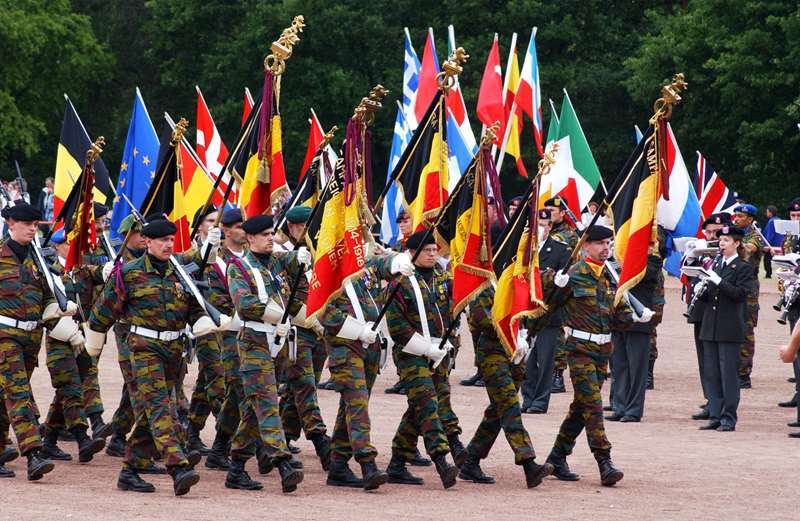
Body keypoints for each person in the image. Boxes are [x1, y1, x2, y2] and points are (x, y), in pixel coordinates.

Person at [86, 217, 229, 495]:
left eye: (170, 240)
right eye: (162, 240)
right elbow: (102, 312)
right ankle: (179, 467)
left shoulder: (181, 271)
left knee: (155, 413)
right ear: (147, 242)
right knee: (162, 410)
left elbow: (196, 305)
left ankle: (129, 471)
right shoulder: (129, 272)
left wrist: (202, 320)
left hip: (174, 353)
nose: (167, 244)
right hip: (144, 350)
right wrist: (92, 343)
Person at [545, 225, 651, 486]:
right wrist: (553, 283)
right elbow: (549, 302)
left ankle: (557, 456)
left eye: (608, 243)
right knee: (593, 406)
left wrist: (633, 317)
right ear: (585, 246)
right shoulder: (574, 275)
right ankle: (605, 461)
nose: (606, 248)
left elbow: (614, 317)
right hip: (579, 349)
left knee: (581, 408)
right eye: (600, 243)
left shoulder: (611, 276)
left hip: (603, 352)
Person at [319, 245, 413, 491]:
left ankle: (338, 464)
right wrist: (357, 330)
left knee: (351, 406)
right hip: (344, 346)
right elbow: (321, 311)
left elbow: (380, 265)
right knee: (357, 402)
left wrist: (396, 261)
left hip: (369, 347)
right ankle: (367, 463)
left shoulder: (361, 264)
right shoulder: (324, 272)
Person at [224, 214, 307, 493]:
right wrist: (279, 314)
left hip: (278, 342)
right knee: (268, 403)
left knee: (254, 407)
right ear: (250, 238)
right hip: (254, 341)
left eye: (272, 234)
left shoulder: (275, 262)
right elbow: (244, 304)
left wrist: (301, 256)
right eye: (265, 235)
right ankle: (283, 463)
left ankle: (235, 467)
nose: (271, 238)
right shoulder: (239, 267)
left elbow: (292, 263)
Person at [0, 203, 76, 481]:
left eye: (35, 224)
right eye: (26, 224)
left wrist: (56, 309)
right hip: (4, 335)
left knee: (5, 394)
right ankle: (33, 453)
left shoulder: (41, 260)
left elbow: (48, 295)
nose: (32, 228)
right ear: (11, 225)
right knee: (18, 392)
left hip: (32, 336)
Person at [385, 230, 461, 488]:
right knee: (427, 404)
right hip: (411, 355)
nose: (432, 254)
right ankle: (442, 460)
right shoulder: (400, 282)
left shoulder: (441, 277)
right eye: (427, 251)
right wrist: (426, 349)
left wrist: (447, 344)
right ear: (413, 253)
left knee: (420, 407)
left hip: (439, 353)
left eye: (434, 250)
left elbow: (450, 313)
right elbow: (397, 328)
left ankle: (396, 463)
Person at [38, 229, 106, 464]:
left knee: (65, 391)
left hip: (81, 334)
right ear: (59, 246)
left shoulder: (81, 269)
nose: (76, 246)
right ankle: (82, 437)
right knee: (71, 387)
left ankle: (48, 442)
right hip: (59, 337)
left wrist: (109, 270)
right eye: (70, 243)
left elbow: (98, 274)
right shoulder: (49, 270)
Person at [273, 205, 332, 471]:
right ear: (293, 227)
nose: (308, 230)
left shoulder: (318, 254)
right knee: (305, 386)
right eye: (303, 226)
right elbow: (284, 298)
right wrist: (313, 320)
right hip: (296, 332)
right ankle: (322, 444)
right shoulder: (283, 256)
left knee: (299, 389)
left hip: (318, 333)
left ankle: (284, 435)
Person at [696, 225, 755, 432]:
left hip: (729, 328)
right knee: (712, 373)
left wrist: (718, 281)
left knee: (728, 374)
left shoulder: (744, 267)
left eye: (727, 240)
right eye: (721, 240)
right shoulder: (717, 265)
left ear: (737, 244)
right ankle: (715, 414)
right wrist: (700, 288)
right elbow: (710, 296)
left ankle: (729, 417)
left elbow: (740, 294)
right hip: (711, 326)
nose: (722, 243)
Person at [521, 209, 570, 413]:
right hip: (525, 311)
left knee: (546, 358)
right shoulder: (523, 248)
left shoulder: (560, 249)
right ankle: (528, 398)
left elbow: (565, 285)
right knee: (526, 359)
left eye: (546, 224)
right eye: (539, 224)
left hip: (548, 312)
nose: (543, 228)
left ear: (551, 226)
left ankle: (541, 401)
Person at [683, 213, 731, 421]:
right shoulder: (703, 251)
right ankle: (710, 399)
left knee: (718, 360)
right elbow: (685, 272)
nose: (711, 236)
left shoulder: (725, 256)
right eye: (709, 231)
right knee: (704, 359)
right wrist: (692, 255)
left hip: (719, 312)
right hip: (700, 309)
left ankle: (721, 402)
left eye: (716, 233)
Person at [607, 247, 661, 423]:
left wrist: (626, 259)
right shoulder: (615, 257)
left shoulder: (651, 260)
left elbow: (644, 276)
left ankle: (634, 409)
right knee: (619, 365)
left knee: (637, 368)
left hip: (638, 320)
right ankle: (620, 406)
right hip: (618, 318)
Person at [545, 196, 578, 394]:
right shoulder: (548, 231)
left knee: (556, 331)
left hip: (562, 286)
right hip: (545, 284)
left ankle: (557, 374)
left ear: (563, 214)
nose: (549, 214)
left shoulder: (567, 234)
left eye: (553, 212)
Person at [732, 204, 763, 388]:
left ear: (750, 219)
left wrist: (733, 241)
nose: (736, 218)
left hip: (748, 290)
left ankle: (744, 374)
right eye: (735, 215)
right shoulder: (734, 233)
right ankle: (733, 369)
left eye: (741, 216)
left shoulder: (754, 236)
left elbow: (748, 249)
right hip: (733, 286)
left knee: (746, 330)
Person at [778, 199, 800, 426]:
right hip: (793, 296)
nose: (795, 220)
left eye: (798, 216)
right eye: (792, 217)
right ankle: (798, 390)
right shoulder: (789, 239)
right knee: (795, 341)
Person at [762, 205, 783, 279]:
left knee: (766, 260)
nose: (766, 213)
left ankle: (768, 274)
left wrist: (766, 245)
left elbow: (769, 234)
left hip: (772, 245)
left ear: (770, 213)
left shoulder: (771, 221)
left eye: (767, 212)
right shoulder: (779, 220)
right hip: (780, 244)